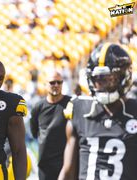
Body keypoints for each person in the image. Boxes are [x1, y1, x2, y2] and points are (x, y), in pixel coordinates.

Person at [58, 43, 135, 180]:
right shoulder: (80, 110)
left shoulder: (133, 111)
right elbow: (68, 170)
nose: (102, 84)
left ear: (124, 78)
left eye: (109, 79)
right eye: (97, 79)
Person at [30, 71, 71, 180]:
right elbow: (34, 132)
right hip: (45, 165)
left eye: (59, 82)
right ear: (45, 84)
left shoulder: (71, 104)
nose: (56, 85)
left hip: (66, 163)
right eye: (52, 82)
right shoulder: (38, 107)